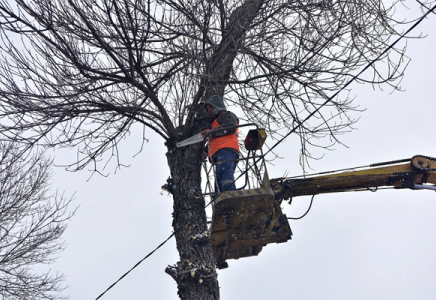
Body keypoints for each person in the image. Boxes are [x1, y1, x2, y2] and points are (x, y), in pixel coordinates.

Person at [203, 95, 240, 193]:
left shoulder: (226, 115)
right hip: (220, 152)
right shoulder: (215, 124)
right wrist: (206, 151)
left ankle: (230, 193)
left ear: (217, 105)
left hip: (227, 149)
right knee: (219, 178)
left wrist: (211, 132)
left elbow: (230, 126)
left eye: (211, 107)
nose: (209, 110)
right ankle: (221, 197)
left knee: (224, 172)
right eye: (208, 109)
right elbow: (215, 140)